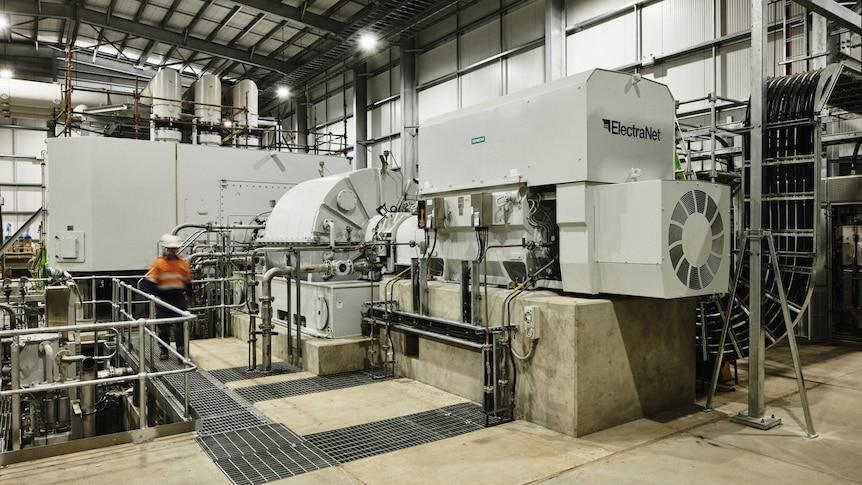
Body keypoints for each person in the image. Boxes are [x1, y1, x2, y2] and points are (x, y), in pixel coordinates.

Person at [144, 234, 193, 361]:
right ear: (164, 248)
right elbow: (149, 281)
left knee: (180, 327)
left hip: (178, 300)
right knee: (163, 327)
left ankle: (181, 352)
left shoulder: (183, 263)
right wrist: (156, 296)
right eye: (169, 248)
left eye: (174, 248)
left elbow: (187, 283)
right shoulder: (158, 263)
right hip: (164, 301)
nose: (172, 251)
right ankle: (164, 350)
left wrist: (190, 297)